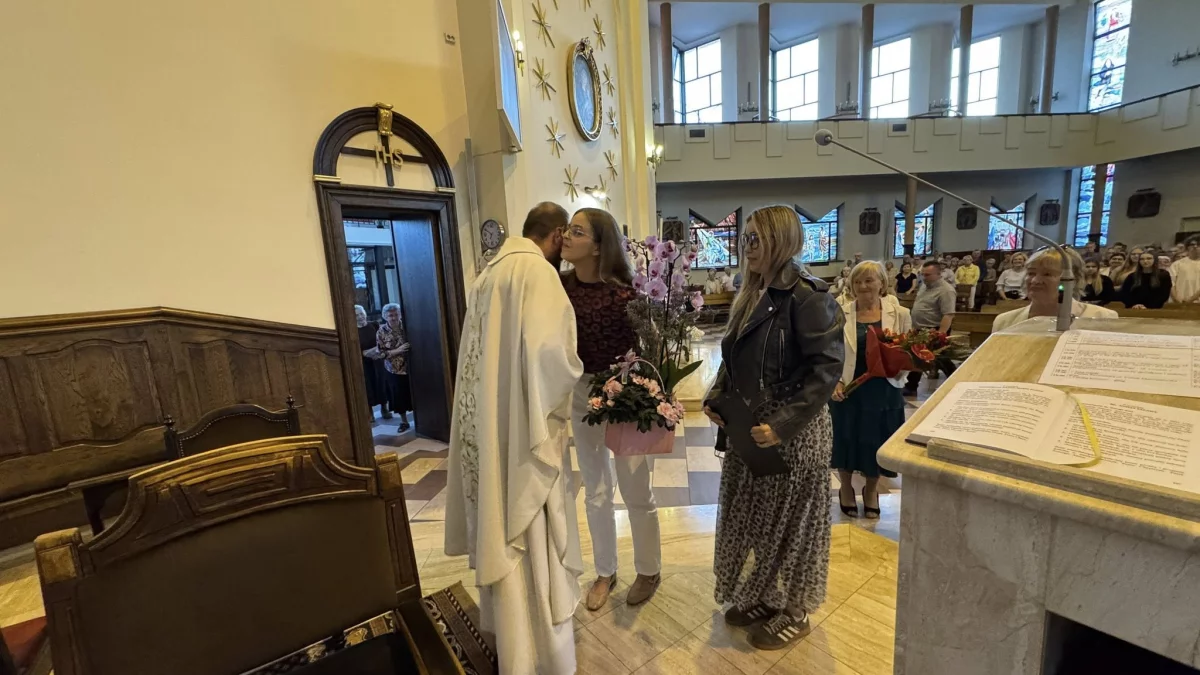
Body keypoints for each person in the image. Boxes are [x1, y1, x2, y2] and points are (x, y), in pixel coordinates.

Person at [444, 202, 585, 675]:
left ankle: (510, 642)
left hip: (491, 431)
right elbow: (553, 359)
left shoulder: (487, 275)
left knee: (500, 518)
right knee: (529, 535)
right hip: (523, 435)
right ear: (557, 235)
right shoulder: (537, 273)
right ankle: (543, 657)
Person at [703, 205, 843, 652]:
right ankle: (767, 596)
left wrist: (782, 425)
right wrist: (716, 397)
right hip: (751, 431)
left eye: (756, 238)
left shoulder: (808, 296)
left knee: (794, 528)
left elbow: (826, 369)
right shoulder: (752, 292)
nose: (747, 247)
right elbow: (734, 359)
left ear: (781, 240)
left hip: (793, 436)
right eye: (745, 238)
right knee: (758, 523)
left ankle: (796, 611)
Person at [561, 208, 662, 611]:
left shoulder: (626, 295)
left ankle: (649, 569)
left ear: (598, 246)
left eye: (577, 231)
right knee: (596, 489)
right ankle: (605, 571)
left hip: (626, 392)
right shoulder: (560, 288)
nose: (566, 236)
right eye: (568, 229)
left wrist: (645, 396)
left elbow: (651, 348)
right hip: (582, 391)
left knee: (635, 487)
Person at [830, 262, 911, 519]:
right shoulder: (840, 312)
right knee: (845, 438)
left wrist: (897, 371)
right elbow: (830, 351)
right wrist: (835, 381)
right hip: (849, 387)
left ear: (882, 283)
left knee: (877, 440)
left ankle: (872, 490)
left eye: (869, 280)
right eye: (857, 282)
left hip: (884, 388)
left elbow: (909, 351)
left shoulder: (900, 313)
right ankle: (845, 488)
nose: (863, 286)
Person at [993, 248, 1118, 331]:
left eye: (1047, 274)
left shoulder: (1103, 318)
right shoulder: (1005, 321)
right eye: (1031, 273)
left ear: (1073, 279)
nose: (1035, 280)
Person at [903, 261, 957, 396]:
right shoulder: (924, 286)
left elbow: (948, 314)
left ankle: (958, 382)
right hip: (920, 328)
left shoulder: (946, 290)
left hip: (934, 329)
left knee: (939, 358)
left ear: (938, 274)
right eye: (922, 274)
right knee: (919, 357)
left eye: (927, 275)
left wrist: (940, 334)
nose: (924, 277)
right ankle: (911, 386)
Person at [376, 303, 413, 432]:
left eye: (396, 314)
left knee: (416, 394)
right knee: (399, 397)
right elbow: (381, 354)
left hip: (413, 367)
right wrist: (398, 350)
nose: (393, 318)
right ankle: (404, 422)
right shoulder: (381, 332)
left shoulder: (408, 326)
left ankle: (423, 421)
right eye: (390, 315)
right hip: (394, 370)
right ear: (385, 316)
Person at [355, 305, 390, 420]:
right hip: (364, 363)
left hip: (378, 360)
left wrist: (374, 351)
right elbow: (355, 348)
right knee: (367, 386)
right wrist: (364, 353)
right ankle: (370, 413)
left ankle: (384, 408)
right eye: (356, 315)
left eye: (361, 314)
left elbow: (382, 341)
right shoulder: (353, 331)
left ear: (365, 313)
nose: (360, 317)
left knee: (381, 384)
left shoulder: (374, 325)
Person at [1170, 236, 1200, 303]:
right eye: (1192, 244)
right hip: (1179, 302)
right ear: (1187, 247)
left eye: (1198, 244)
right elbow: (1171, 283)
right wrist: (1176, 298)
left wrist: (1191, 299)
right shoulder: (1176, 264)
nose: (1195, 246)